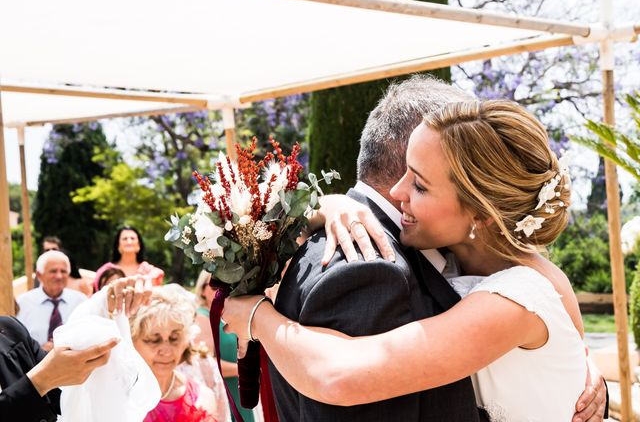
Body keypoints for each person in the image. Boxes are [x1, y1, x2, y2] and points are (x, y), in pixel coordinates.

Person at [223, 77, 607, 421]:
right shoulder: (454, 261)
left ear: (480, 213)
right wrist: (329, 203)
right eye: (404, 170)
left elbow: (337, 375)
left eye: (419, 184)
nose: (395, 192)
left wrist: (257, 317)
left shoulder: (518, 295)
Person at [0, 275, 151, 422]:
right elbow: (47, 376)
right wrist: (40, 381)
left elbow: (66, 394)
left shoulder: (9, 330)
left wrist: (105, 307)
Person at [130, 284, 225, 422]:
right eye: (153, 340)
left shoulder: (202, 398)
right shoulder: (119, 398)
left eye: (174, 339)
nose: (167, 351)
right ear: (132, 340)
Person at [194, 270, 254, 422]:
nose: (220, 291)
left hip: (240, 388)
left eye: (225, 285)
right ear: (202, 291)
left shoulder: (228, 315)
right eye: (214, 287)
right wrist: (243, 371)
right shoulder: (203, 318)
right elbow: (205, 363)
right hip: (224, 390)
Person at [17, 250, 87, 350]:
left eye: (63, 271)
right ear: (39, 275)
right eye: (53, 271)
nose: (59, 276)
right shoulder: (23, 303)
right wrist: (38, 351)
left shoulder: (81, 301)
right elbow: (16, 342)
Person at [93, 226, 164, 292]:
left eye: (132, 238)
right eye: (125, 239)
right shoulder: (106, 270)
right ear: (118, 246)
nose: (129, 242)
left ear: (139, 245)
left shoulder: (149, 271)